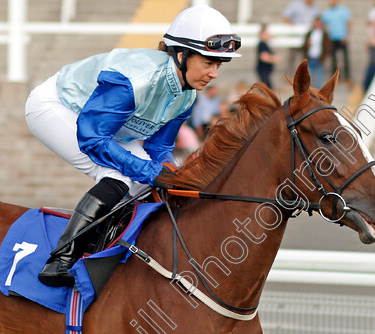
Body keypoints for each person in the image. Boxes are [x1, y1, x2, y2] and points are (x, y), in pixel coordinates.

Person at [26, 5, 241, 287]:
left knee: (148, 184)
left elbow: (158, 149)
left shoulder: (186, 96)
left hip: (103, 126)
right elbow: (93, 138)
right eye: (208, 62)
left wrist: (176, 177)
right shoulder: (134, 81)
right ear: (181, 54)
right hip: (57, 107)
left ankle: (116, 251)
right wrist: (150, 171)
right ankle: (61, 259)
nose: (214, 73)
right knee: (118, 177)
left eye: (218, 65)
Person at [282, 0, 321, 72]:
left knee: (303, 60)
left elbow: (317, 22)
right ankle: (289, 76)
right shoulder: (296, 4)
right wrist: (294, 28)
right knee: (291, 58)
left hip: (307, 39)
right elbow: (286, 17)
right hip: (295, 37)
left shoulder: (315, 8)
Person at [322, 0, 353, 83]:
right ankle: (335, 78)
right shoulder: (327, 12)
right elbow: (324, 25)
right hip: (332, 38)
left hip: (342, 37)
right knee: (333, 59)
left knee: (345, 58)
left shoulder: (343, 11)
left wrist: (347, 35)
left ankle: (347, 77)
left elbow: (348, 23)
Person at [304, 16, 327, 88]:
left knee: (318, 77)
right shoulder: (310, 33)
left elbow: (327, 46)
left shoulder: (324, 34)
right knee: (308, 76)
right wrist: (307, 44)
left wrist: (324, 56)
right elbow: (304, 45)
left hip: (319, 57)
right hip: (310, 56)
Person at [256, 24, 282, 89]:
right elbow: (263, 57)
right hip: (263, 70)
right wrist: (274, 59)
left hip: (266, 70)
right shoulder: (262, 44)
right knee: (266, 88)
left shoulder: (265, 44)